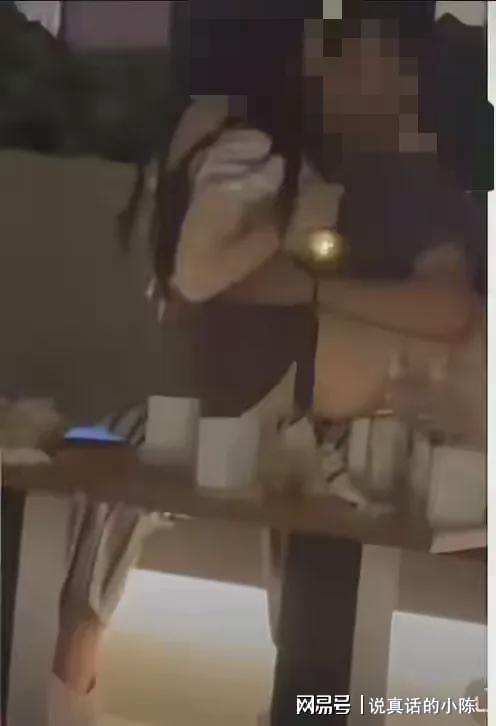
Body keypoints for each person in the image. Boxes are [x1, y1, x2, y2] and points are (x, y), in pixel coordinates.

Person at [47, 8, 484, 726]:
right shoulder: (319, 170)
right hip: (285, 429)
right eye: (322, 58)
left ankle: (71, 684)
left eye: (345, 58)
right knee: (104, 470)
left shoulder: (410, 180)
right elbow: (206, 281)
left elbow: (450, 309)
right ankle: (64, 686)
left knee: (309, 567)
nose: (322, 77)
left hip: (360, 445)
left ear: (401, 74)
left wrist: (304, 288)